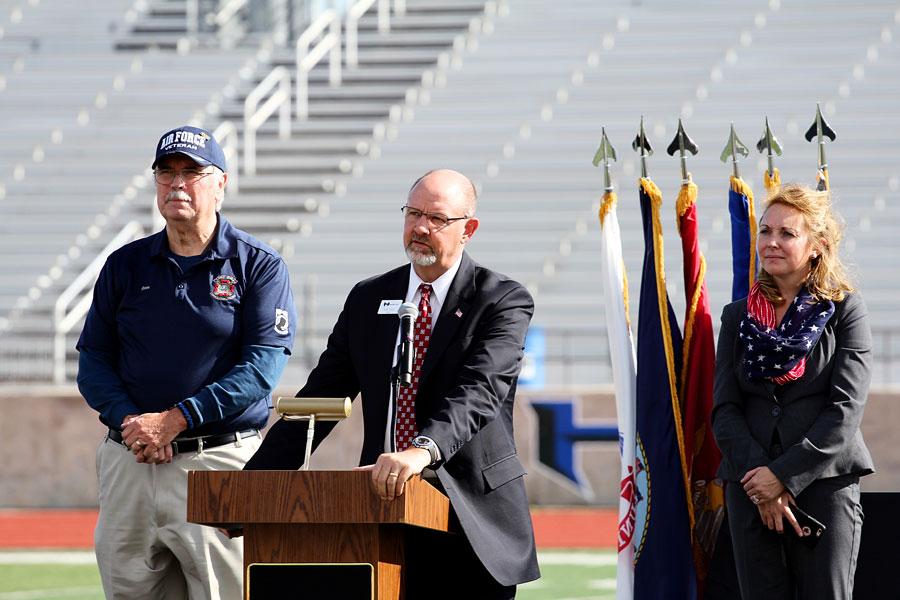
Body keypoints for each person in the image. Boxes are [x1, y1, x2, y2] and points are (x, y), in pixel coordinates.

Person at [244, 169, 540, 598]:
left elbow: (479, 393)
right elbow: (321, 397)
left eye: (436, 219)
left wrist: (421, 451)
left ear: (467, 230)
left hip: (472, 518)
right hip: (380, 511)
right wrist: (253, 485)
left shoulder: (501, 299)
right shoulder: (368, 298)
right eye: (413, 213)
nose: (420, 227)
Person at [76, 125, 296, 600]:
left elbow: (261, 370)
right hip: (130, 461)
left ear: (221, 183)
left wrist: (175, 421)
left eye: (192, 173)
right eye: (166, 172)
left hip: (216, 461)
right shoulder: (124, 265)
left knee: (229, 594)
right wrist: (133, 422)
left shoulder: (258, 264)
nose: (177, 183)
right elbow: (93, 360)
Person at [712, 183, 874, 599]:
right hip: (749, 486)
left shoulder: (845, 310)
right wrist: (759, 481)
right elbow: (725, 409)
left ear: (817, 245)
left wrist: (783, 477)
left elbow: (844, 410)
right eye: (765, 232)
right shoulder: (737, 316)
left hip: (823, 485)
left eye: (787, 234)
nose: (771, 242)